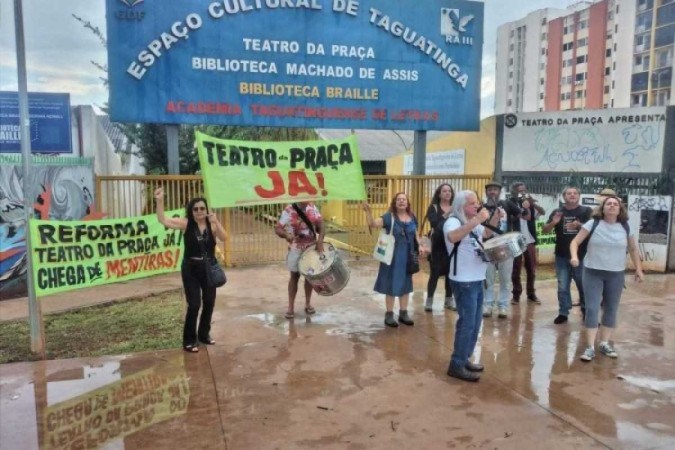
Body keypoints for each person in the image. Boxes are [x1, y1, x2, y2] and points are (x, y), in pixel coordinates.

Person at [570, 195, 644, 362]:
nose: (611, 206)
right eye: (608, 204)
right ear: (602, 208)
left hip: (616, 273)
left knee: (611, 309)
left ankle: (604, 343)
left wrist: (638, 269)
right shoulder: (593, 224)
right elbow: (575, 242)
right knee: (592, 308)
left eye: (615, 204)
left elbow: (632, 248)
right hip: (592, 272)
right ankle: (589, 347)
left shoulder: (625, 227)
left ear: (620, 209)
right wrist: (574, 257)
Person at [154, 187, 227, 353]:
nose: (199, 211)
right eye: (196, 209)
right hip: (191, 269)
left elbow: (224, 237)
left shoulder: (212, 224)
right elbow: (163, 220)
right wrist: (159, 201)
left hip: (208, 268)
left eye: (202, 208)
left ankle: (203, 334)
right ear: (191, 211)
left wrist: (216, 221)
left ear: (206, 210)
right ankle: (189, 340)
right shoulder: (186, 223)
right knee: (194, 304)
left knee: (209, 302)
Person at [444, 190, 499, 382]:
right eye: (472, 203)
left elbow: (486, 234)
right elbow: (453, 237)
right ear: (461, 206)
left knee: (475, 323)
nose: (477, 206)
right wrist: (477, 220)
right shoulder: (454, 221)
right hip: (463, 281)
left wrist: (494, 218)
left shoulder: (471, 221)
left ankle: (465, 358)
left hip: (477, 278)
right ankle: (456, 364)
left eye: (477, 203)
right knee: (466, 324)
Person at [363, 193, 427, 327]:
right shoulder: (389, 217)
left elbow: (415, 233)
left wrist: (420, 245)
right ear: (394, 203)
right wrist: (368, 211)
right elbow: (373, 224)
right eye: (399, 199)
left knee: (406, 284)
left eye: (404, 199)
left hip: (408, 256)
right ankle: (389, 314)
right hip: (392, 256)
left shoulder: (412, 217)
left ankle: (404, 313)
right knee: (390, 284)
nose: (402, 201)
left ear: (408, 202)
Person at [542, 186, 592, 324]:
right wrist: (554, 222)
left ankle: (586, 309)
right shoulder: (557, 212)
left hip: (581, 255)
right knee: (563, 285)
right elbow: (545, 230)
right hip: (562, 256)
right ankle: (563, 312)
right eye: (569, 193)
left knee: (583, 284)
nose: (572, 195)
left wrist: (580, 225)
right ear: (564, 196)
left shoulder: (586, 211)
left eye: (575, 193)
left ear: (579, 196)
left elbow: (594, 230)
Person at [274, 202, 325, 320]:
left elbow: (321, 223)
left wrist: (320, 240)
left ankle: (308, 303)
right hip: (296, 248)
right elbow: (278, 228)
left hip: (311, 248)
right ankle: (290, 307)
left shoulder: (312, 207)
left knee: (309, 276)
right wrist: (286, 235)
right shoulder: (289, 210)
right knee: (294, 277)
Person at [481, 181, 520, 319]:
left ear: (499, 191)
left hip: (505, 246)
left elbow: (521, 213)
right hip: (487, 245)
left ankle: (503, 306)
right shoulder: (482, 207)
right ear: (486, 192)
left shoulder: (507, 204)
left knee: (505, 277)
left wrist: (511, 224)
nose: (492, 192)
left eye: (495, 190)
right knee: (488, 278)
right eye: (490, 190)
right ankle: (488, 305)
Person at [509, 182, 545, 305]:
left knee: (531, 269)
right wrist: (521, 209)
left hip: (529, 241)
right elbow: (512, 219)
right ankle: (516, 295)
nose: (522, 193)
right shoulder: (510, 203)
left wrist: (532, 204)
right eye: (519, 191)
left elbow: (542, 212)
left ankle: (531, 294)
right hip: (515, 240)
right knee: (516, 269)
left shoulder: (530, 203)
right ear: (514, 192)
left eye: (524, 191)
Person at [424, 183, 455, 312]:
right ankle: (429, 300)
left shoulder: (456, 208)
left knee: (450, 274)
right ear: (439, 194)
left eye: (449, 191)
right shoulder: (434, 208)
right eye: (444, 191)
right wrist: (447, 213)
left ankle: (448, 300)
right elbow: (435, 224)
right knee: (434, 274)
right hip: (437, 245)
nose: (447, 193)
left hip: (451, 244)